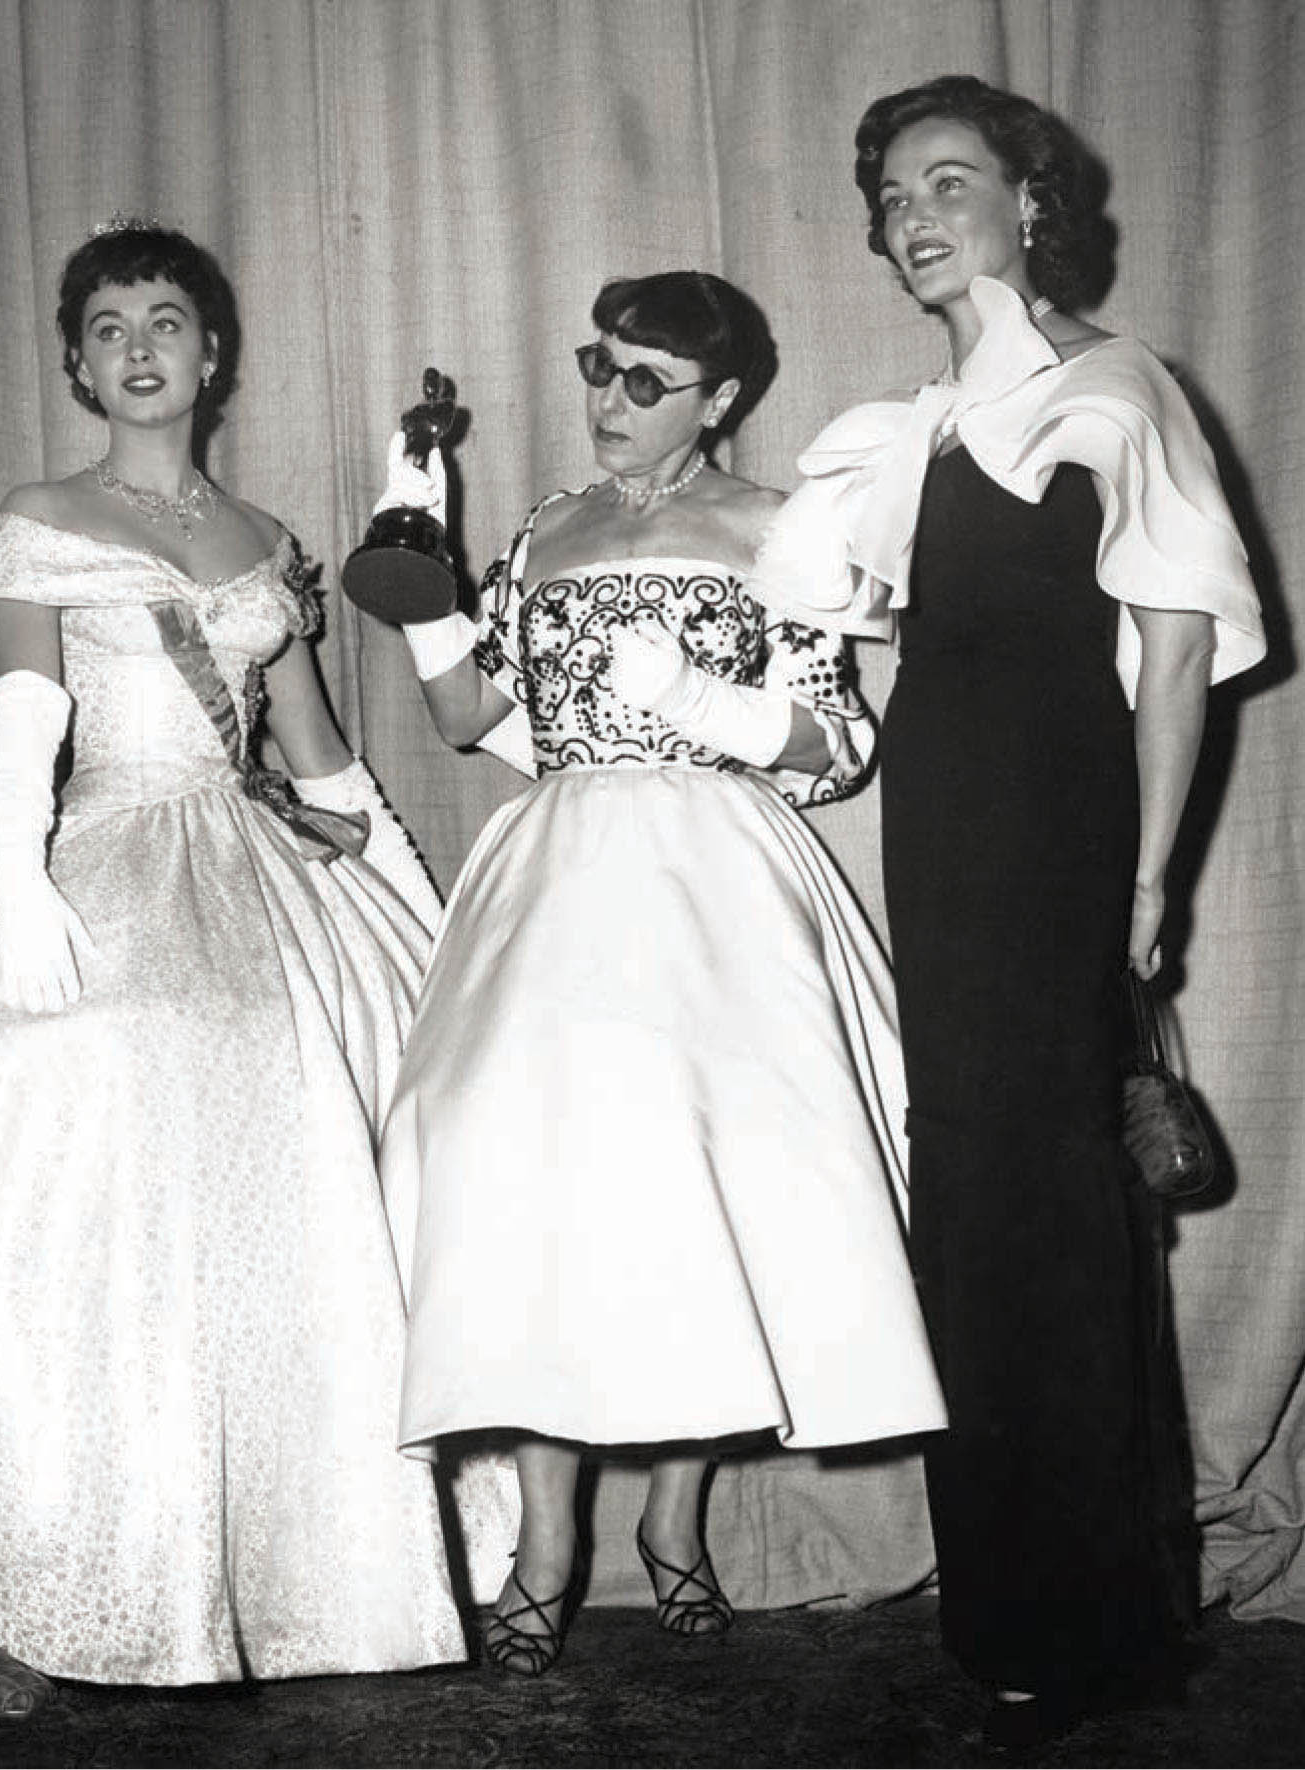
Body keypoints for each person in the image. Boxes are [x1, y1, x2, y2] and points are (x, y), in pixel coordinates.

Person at [0, 221, 504, 1711]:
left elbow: (323, 759)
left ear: (211, 353)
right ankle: (30, 1575)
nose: (140, 345)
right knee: (44, 1089)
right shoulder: (42, 510)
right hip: (94, 844)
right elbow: (25, 712)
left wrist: (424, 921)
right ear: (79, 362)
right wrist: (23, 879)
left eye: (167, 319)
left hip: (255, 868)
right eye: (108, 327)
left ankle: (264, 1565)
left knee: (295, 1147)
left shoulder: (259, 541)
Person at [748, 76, 1265, 1743]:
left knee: (1055, 1198)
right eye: (891, 198)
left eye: (945, 184)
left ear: (1029, 202)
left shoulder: (1119, 390)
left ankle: (1099, 1616)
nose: (913, 218)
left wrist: (1146, 882)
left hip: (1064, 824)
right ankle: (1008, 1617)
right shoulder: (900, 429)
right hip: (942, 822)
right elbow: (859, 619)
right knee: (969, 1194)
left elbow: (1175, 651)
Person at [373, 270, 947, 1676]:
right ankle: (546, 1541)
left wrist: (704, 704)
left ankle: (674, 1525)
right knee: (528, 1192)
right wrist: (424, 572)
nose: (607, 402)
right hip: (557, 873)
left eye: (646, 382)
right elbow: (469, 722)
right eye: (599, 367)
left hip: (715, 880)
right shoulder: (546, 529)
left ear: (722, 399)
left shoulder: (778, 530)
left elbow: (840, 745)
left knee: (706, 1201)